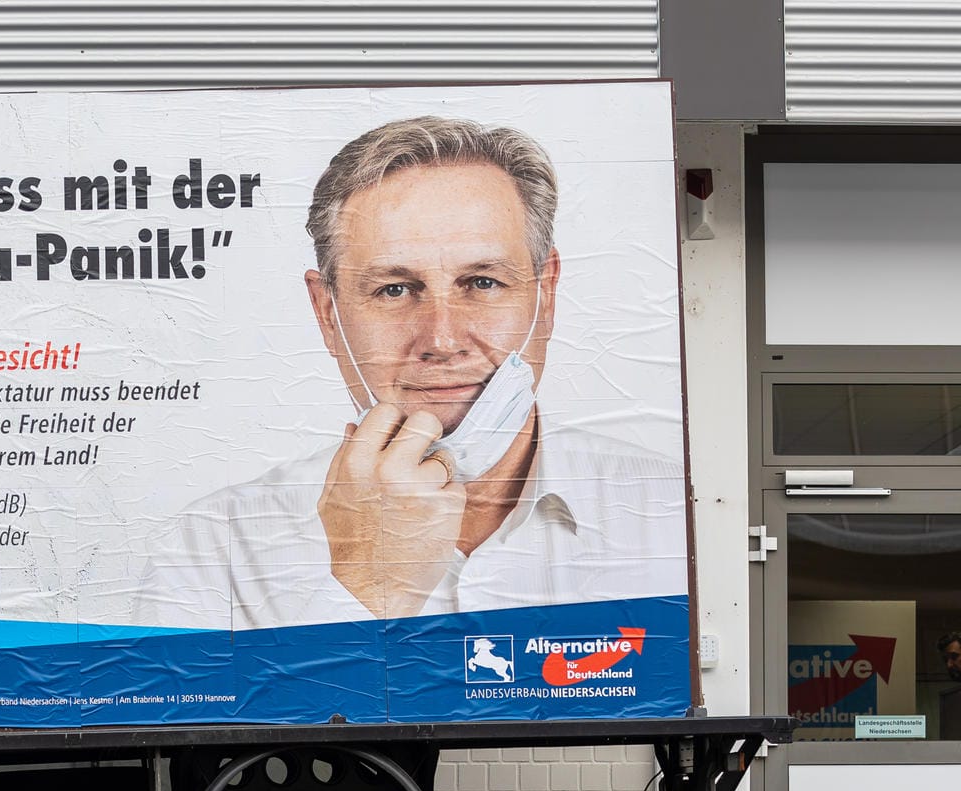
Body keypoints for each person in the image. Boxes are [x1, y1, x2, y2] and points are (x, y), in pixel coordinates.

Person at [138, 116, 686, 630]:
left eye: (483, 283)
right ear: (327, 312)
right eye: (394, 290)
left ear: (545, 295)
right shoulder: (213, 549)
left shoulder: (672, 513)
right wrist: (365, 589)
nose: (442, 340)